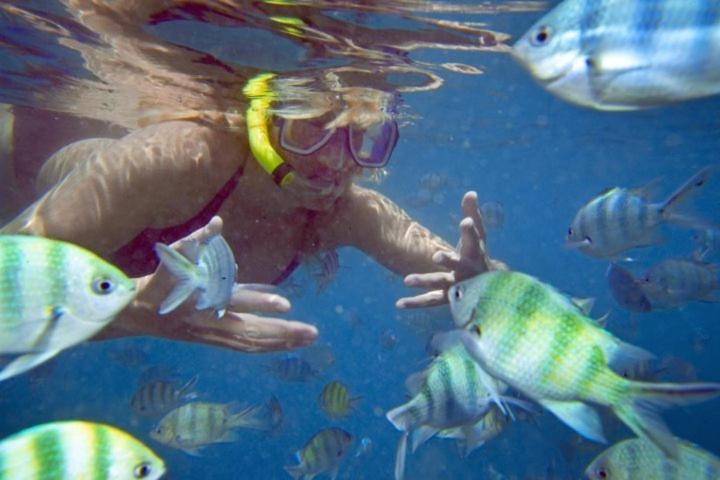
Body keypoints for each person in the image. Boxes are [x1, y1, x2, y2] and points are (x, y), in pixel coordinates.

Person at [1, 68, 504, 354]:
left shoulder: (344, 213)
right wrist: (126, 310)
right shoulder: (187, 159)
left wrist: (487, 280)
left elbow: (483, 282)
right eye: (308, 128)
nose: (334, 163)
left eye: (363, 140)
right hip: (25, 153)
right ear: (263, 125)